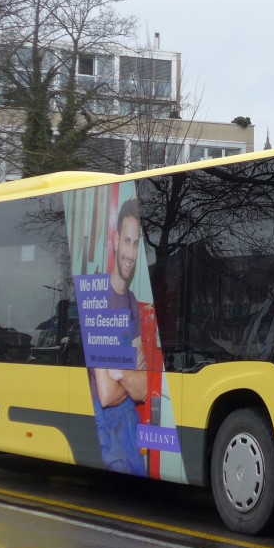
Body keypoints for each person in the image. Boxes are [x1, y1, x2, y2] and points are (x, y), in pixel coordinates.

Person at [91, 196, 148, 476]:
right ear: (115, 241)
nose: (130, 253)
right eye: (127, 241)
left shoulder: (132, 303)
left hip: (130, 426)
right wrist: (130, 368)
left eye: (136, 244)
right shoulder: (97, 297)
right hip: (108, 435)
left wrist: (118, 369)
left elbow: (143, 387)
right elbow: (106, 394)